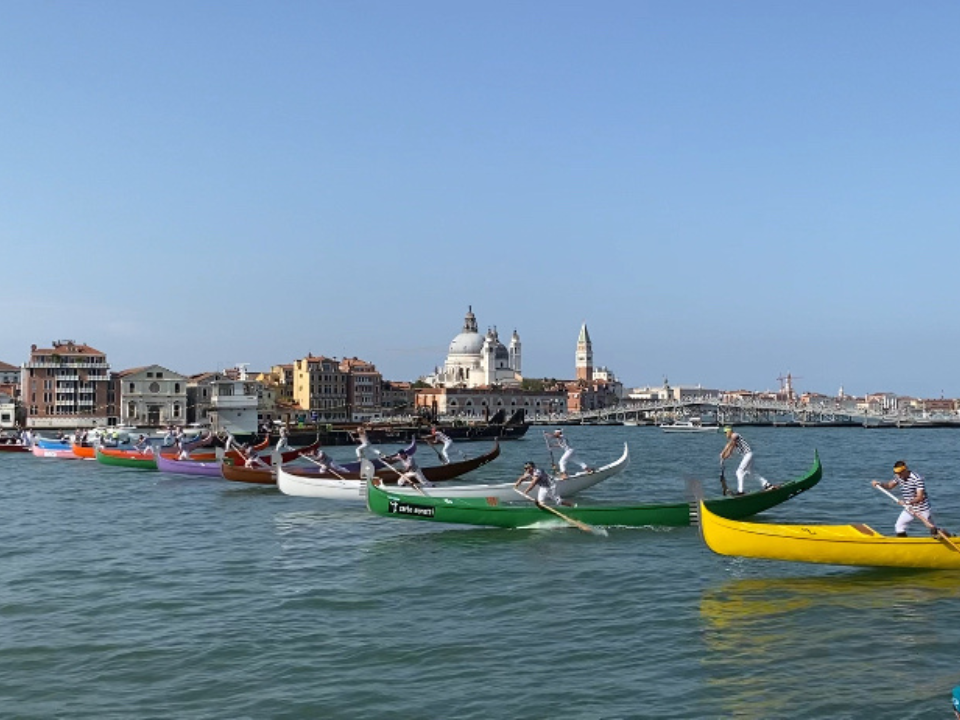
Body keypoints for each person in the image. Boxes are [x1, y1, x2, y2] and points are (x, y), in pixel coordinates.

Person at [872, 460, 941, 537]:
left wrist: (906, 502)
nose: (898, 475)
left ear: (906, 469)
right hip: (909, 508)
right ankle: (903, 544)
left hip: (922, 508)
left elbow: (920, 497)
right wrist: (879, 484)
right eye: (896, 473)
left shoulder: (917, 479)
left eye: (900, 473)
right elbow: (889, 486)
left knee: (934, 530)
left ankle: (950, 538)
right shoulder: (898, 477)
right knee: (899, 526)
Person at [720, 426, 774, 495]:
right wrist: (723, 458)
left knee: (739, 472)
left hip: (748, 455)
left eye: (726, 432)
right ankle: (767, 484)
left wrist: (722, 452)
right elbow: (730, 451)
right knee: (751, 473)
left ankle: (741, 491)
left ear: (729, 431)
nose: (725, 434)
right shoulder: (733, 441)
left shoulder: (734, 435)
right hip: (748, 455)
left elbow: (729, 444)